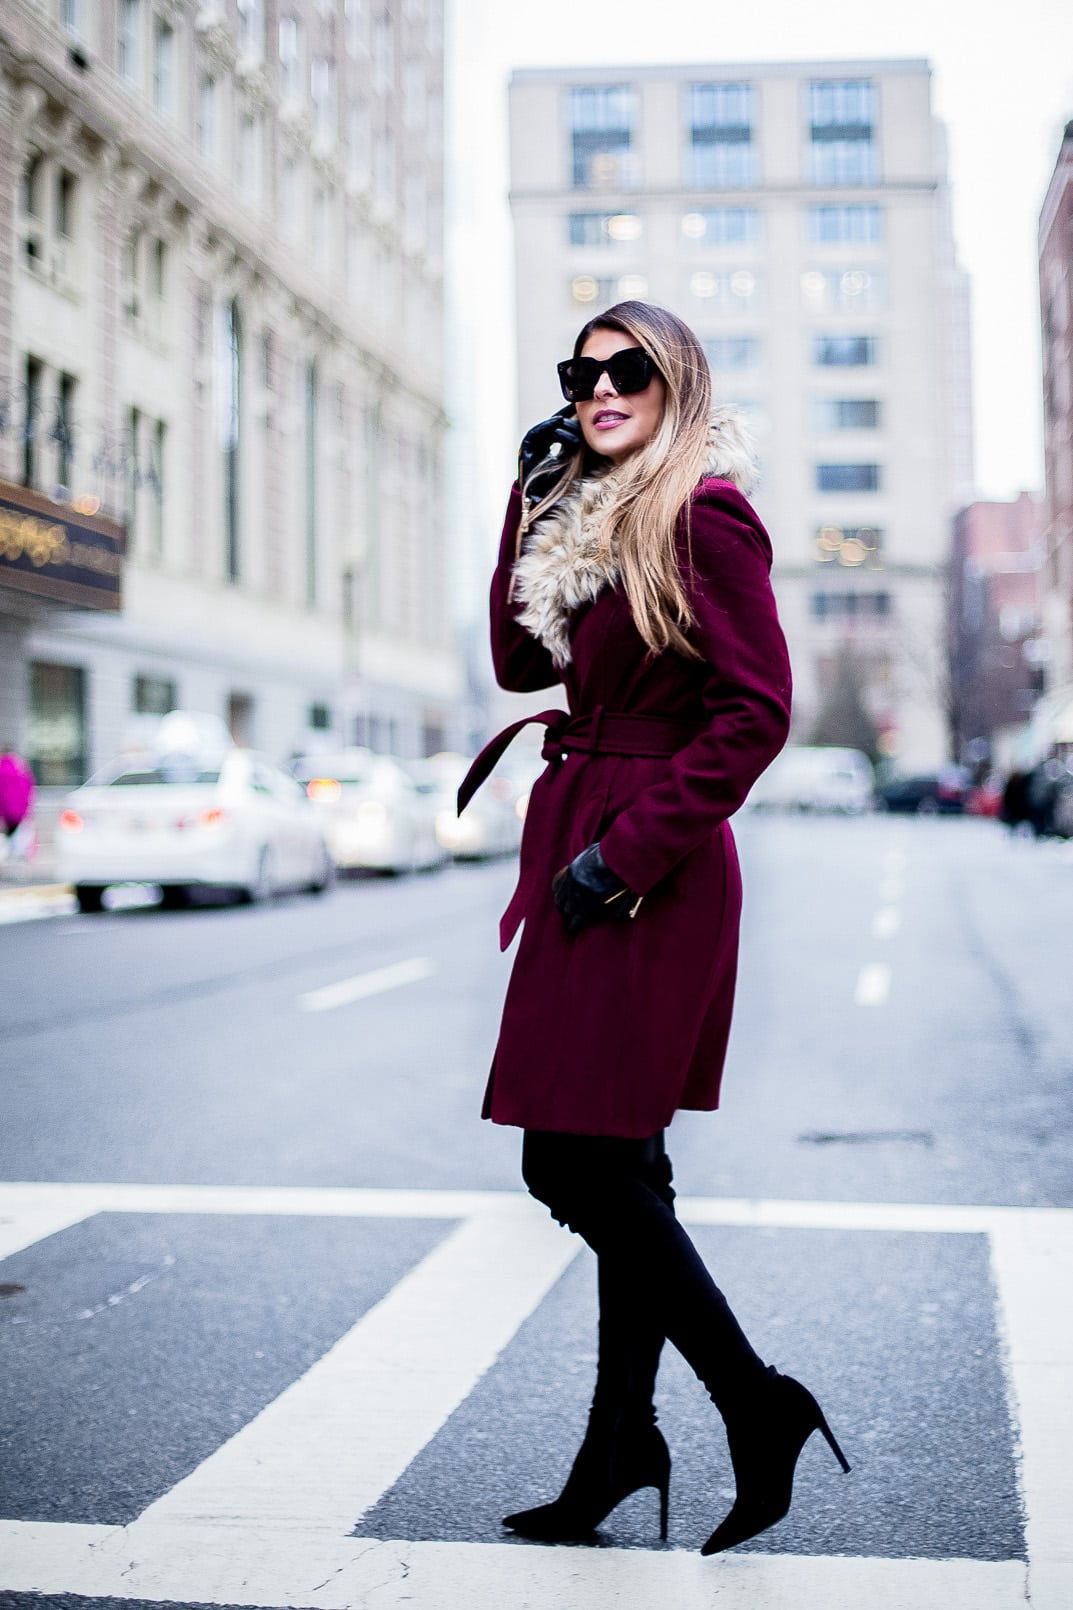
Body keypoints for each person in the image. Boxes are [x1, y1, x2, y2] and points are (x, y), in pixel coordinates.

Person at [458, 301, 849, 1555]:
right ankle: (618, 1445)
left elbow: (756, 711)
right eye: (581, 373)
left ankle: (753, 1402)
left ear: (675, 383)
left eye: (626, 370)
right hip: (587, 826)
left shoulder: (702, 515)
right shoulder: (589, 513)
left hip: (647, 857)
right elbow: (524, 670)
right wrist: (529, 499)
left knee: (567, 1164)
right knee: (615, 1165)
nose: (598, 388)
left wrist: (625, 856)